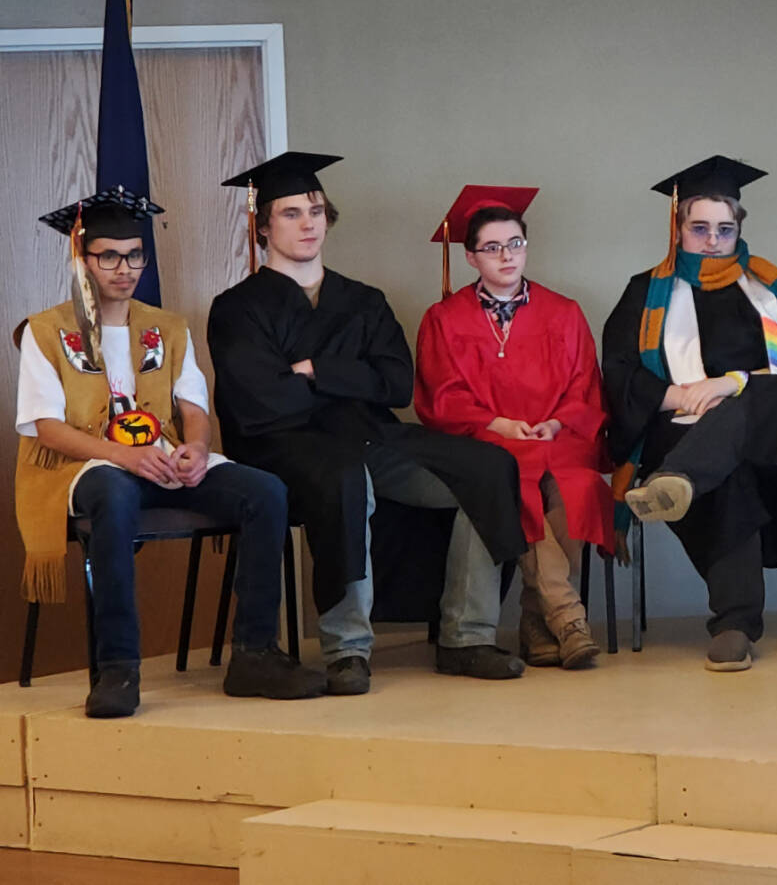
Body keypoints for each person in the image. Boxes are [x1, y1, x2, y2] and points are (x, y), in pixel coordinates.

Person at [207, 153, 528, 695]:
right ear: (262, 227)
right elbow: (264, 402)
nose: (308, 222)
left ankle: (466, 636)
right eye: (290, 213)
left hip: (371, 434)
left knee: (488, 465)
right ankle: (347, 649)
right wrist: (349, 378)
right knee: (343, 476)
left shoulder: (363, 300)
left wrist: (312, 371)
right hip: (282, 447)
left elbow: (397, 384)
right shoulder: (238, 308)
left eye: (315, 210)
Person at [15, 187, 324, 716]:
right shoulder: (47, 331)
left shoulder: (167, 328)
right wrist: (126, 458)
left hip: (163, 458)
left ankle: (254, 654)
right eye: (108, 255)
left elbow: (194, 410)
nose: (124, 267)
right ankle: (118, 669)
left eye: (135, 254)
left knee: (265, 491)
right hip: (85, 467)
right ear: (82, 260)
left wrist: (199, 449)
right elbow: (46, 428)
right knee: (112, 495)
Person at [599, 156, 777, 673]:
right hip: (681, 434)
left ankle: (678, 480)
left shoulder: (768, 290)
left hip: (773, 446)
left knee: (770, 395)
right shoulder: (646, 292)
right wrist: (680, 397)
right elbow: (619, 373)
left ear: (738, 229)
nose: (712, 239)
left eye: (725, 229)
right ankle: (734, 625)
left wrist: (729, 384)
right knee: (726, 473)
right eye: (699, 227)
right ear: (678, 230)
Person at [414, 185, 613, 671]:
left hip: (557, 438)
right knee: (513, 485)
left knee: (579, 485)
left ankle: (535, 624)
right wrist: (497, 423)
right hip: (488, 443)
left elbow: (585, 383)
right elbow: (441, 395)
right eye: (493, 247)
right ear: (470, 257)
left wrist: (556, 422)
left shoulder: (564, 313)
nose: (507, 256)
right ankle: (566, 620)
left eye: (516, 244)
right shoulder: (444, 319)